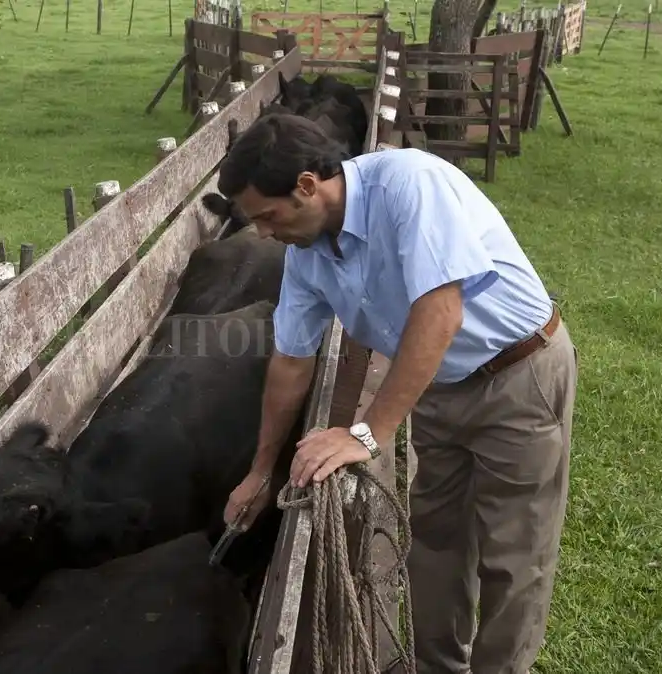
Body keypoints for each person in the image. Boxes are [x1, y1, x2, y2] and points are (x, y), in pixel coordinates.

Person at [218, 113, 578, 674]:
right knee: (435, 543)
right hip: (436, 386)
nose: (262, 233)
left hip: (518, 376)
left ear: (308, 187)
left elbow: (440, 312)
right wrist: (261, 473)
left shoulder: (409, 185)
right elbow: (292, 357)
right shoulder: (306, 252)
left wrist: (368, 433)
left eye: (267, 216)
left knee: (515, 554)